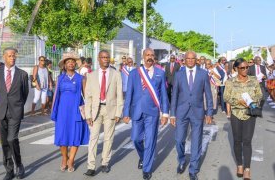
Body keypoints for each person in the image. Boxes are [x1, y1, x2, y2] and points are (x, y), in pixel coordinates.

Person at [123, 48, 169, 180]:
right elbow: (129, 95)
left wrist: (165, 113)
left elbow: (164, 96)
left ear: (154, 58)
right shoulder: (134, 73)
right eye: (147, 55)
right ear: (143, 57)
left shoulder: (160, 73)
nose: (150, 57)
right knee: (136, 139)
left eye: (152, 55)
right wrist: (126, 113)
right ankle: (143, 157)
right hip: (137, 111)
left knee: (150, 140)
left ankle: (147, 168)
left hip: (152, 112)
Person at [170, 51, 213, 180]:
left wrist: (209, 112)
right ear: (184, 60)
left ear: (196, 60)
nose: (189, 60)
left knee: (196, 141)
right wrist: (172, 114)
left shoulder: (203, 74)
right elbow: (174, 95)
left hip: (197, 112)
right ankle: (182, 160)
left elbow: (208, 95)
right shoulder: (178, 75)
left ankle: (193, 169)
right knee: (179, 139)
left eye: (192, 58)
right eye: (187, 58)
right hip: (181, 112)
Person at [84, 50, 124, 176]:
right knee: (93, 138)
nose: (106, 59)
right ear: (98, 59)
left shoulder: (116, 74)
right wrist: (88, 115)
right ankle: (91, 166)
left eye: (107, 57)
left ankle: (105, 163)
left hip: (110, 109)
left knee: (108, 138)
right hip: (96, 110)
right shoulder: (91, 75)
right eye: (103, 57)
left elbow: (119, 95)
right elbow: (88, 96)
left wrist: (119, 112)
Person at [0, 47, 29, 180]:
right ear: (4, 57)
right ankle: (9, 169)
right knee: (4, 142)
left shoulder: (22, 74)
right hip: (1, 111)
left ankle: (19, 165)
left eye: (14, 56)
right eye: (9, 56)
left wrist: (17, 106)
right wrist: (4, 104)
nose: (12, 58)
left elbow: (24, 94)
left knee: (11, 138)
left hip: (15, 111)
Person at [224, 58, 262, 180]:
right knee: (237, 141)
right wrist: (238, 101)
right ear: (236, 69)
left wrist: (252, 100)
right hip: (236, 114)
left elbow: (260, 94)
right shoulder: (230, 82)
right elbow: (226, 97)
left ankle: (247, 168)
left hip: (250, 114)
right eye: (242, 68)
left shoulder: (254, 80)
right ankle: (239, 165)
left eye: (247, 67)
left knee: (247, 141)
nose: (246, 70)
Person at [51, 52, 89, 172]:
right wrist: (54, 111)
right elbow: (56, 96)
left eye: (72, 62)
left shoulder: (81, 78)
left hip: (76, 111)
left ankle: (71, 160)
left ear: (75, 64)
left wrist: (89, 112)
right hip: (62, 112)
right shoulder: (60, 78)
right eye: (68, 62)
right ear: (64, 65)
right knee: (62, 136)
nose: (71, 63)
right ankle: (64, 158)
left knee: (75, 135)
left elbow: (86, 96)